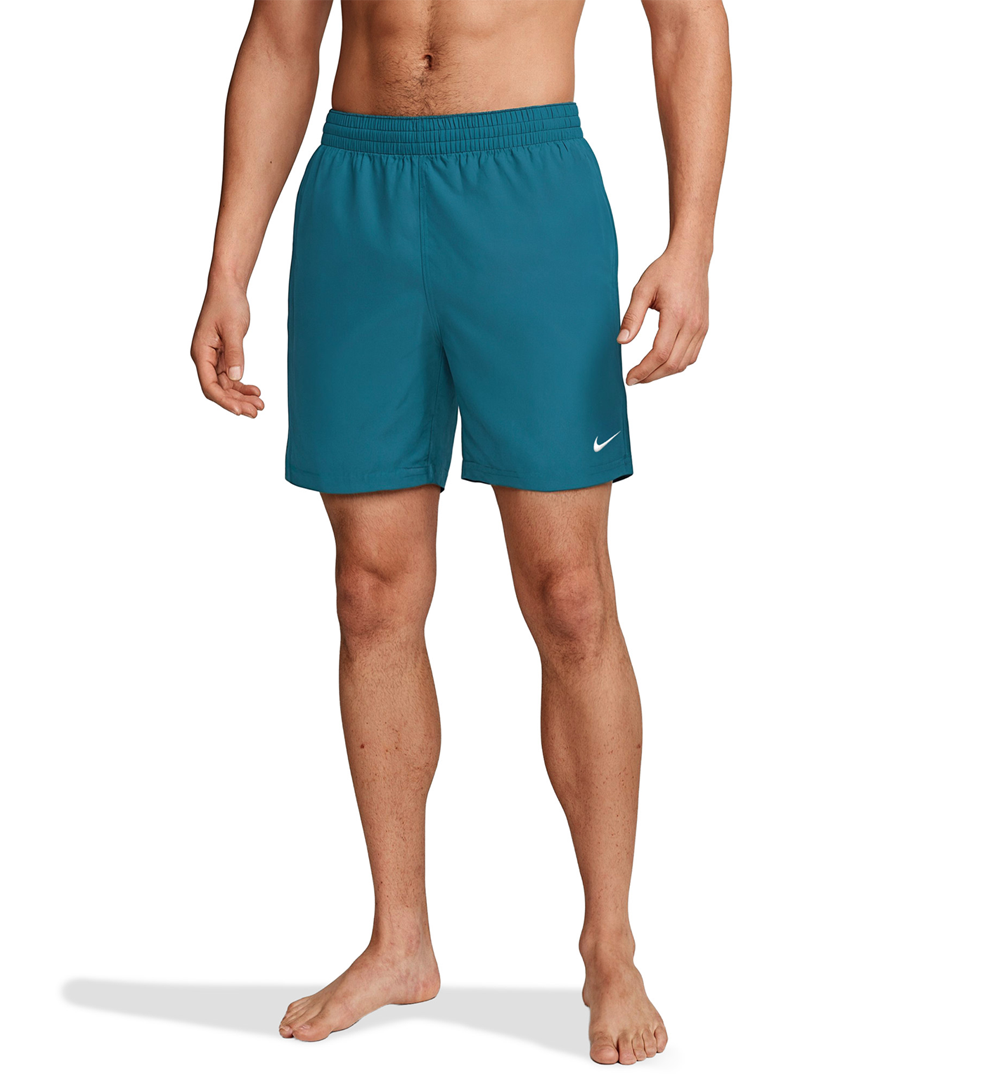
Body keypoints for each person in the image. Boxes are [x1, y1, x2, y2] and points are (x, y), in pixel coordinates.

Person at [190, 0, 730, 1065]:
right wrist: (227, 265)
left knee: (570, 593)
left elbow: (687, 22)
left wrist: (693, 242)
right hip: (359, 195)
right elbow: (283, 40)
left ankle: (610, 947)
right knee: (370, 589)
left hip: (529, 189)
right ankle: (400, 942)